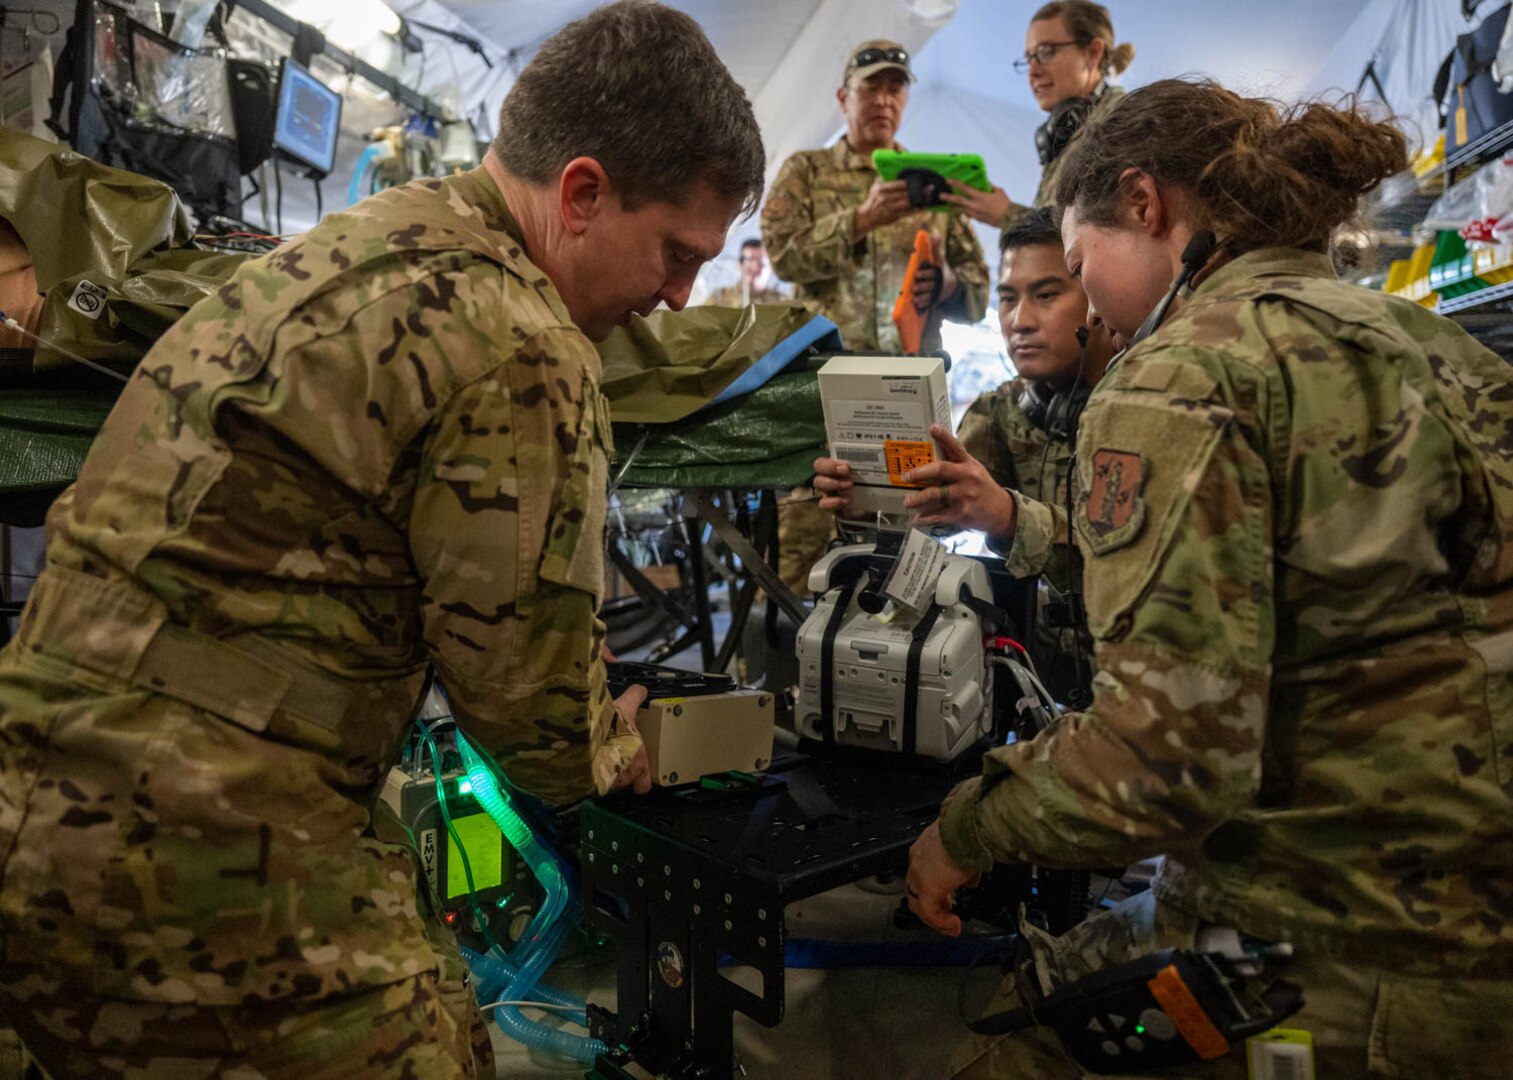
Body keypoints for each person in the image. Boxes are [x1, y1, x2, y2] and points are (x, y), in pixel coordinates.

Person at [0, 3, 764, 1076]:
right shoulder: (525, 346)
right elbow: (538, 733)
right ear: (583, 193)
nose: (681, 294)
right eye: (677, 252)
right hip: (192, 843)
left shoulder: (346, 246)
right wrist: (619, 740)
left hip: (32, 793)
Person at [907, 78, 1513, 1078]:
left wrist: (966, 829)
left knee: (1013, 1048)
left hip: (1331, 948)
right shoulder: (1440, 345)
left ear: (1144, 204)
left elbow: (1164, 769)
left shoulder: (1184, 373)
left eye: (1079, 254)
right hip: (1467, 926)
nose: (1086, 292)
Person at [812, 208, 1115, 703]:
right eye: (1008, 299)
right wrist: (870, 506)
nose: (1020, 321)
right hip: (1034, 687)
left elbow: (1129, 558)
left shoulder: (1146, 405)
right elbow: (933, 516)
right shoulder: (1002, 408)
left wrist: (1008, 516)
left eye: (1045, 295)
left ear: (1096, 297)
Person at [761, 39, 989, 593]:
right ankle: (790, 671)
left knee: (908, 563)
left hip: (907, 406)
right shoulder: (807, 172)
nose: (884, 99)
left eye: (896, 88)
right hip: (818, 399)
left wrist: (950, 285)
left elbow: (981, 294)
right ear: (844, 97)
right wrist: (857, 222)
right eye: (872, 88)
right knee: (800, 558)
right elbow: (781, 252)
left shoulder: (932, 186)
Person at [942, 1, 1133, 232]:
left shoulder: (1123, 122)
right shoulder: (1067, 130)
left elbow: (1096, 233)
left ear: (1093, 52)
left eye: (1046, 52)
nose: (1033, 71)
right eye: (1029, 57)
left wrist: (1007, 215)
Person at [708, 238, 786, 307]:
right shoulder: (719, 298)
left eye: (761, 261)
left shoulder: (782, 303)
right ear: (739, 264)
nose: (755, 266)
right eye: (749, 260)